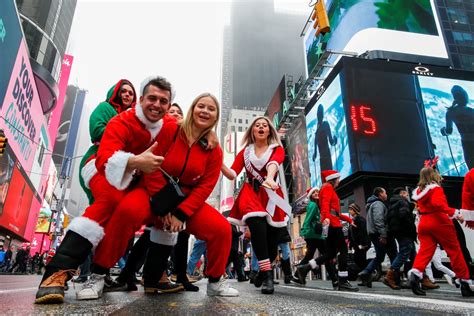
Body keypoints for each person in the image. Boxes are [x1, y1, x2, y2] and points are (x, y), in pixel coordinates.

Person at [35, 76, 174, 304]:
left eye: (163, 101)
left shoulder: (168, 126)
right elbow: (104, 159)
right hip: (99, 166)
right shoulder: (120, 119)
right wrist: (135, 161)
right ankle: (56, 272)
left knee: (128, 213)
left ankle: (102, 273)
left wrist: (207, 138)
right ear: (141, 99)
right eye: (152, 98)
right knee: (109, 201)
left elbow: (190, 132)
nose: (157, 105)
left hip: (138, 181)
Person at [99, 92, 238, 297]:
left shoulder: (214, 149)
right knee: (126, 212)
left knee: (223, 229)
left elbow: (205, 186)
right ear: (192, 109)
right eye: (201, 106)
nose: (205, 111)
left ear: (216, 116)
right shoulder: (171, 128)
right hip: (152, 191)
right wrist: (163, 206)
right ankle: (98, 275)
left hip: (186, 199)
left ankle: (216, 281)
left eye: (211, 108)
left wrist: (181, 213)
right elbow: (152, 165)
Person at [222, 116, 290, 295]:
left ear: (269, 130)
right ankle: (267, 276)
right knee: (258, 229)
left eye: (264, 125)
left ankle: (261, 271)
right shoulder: (245, 152)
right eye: (257, 125)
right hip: (251, 194)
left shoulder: (277, 149)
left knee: (273, 242)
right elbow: (232, 173)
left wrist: (269, 178)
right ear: (252, 130)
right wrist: (217, 162)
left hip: (272, 195)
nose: (261, 127)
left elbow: (274, 164)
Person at [409, 161, 473, 297]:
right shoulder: (435, 188)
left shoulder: (419, 191)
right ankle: (465, 283)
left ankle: (415, 274)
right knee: (455, 252)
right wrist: (455, 213)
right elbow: (439, 204)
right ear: (433, 175)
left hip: (424, 223)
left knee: (425, 251)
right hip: (439, 221)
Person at [296, 170, 358, 292]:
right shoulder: (327, 187)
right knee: (343, 250)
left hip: (332, 222)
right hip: (333, 224)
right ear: (333, 179)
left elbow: (337, 213)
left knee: (329, 254)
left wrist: (350, 221)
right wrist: (327, 218)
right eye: (338, 179)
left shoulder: (327, 188)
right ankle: (343, 281)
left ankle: (305, 268)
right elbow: (325, 205)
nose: (339, 181)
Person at [79, 79, 136, 204]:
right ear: (116, 93)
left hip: (119, 165)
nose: (127, 94)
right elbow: (96, 130)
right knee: (105, 201)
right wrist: (123, 133)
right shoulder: (105, 107)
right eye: (124, 91)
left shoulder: (133, 118)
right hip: (96, 159)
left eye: (131, 93)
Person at [294, 187, 337, 288]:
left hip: (315, 235)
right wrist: (304, 230)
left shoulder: (317, 205)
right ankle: (335, 280)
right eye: (314, 192)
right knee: (327, 255)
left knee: (310, 255)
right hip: (315, 235)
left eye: (317, 191)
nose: (317, 193)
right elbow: (308, 218)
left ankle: (297, 275)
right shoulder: (313, 205)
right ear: (311, 196)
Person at [358, 187, 397, 288]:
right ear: (380, 194)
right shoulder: (378, 204)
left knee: (380, 256)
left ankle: (366, 272)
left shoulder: (372, 204)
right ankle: (394, 278)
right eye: (385, 193)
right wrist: (383, 235)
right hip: (380, 234)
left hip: (374, 234)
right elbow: (379, 220)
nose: (386, 194)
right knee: (394, 255)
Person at [384, 187, 417, 290]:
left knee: (413, 255)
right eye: (406, 194)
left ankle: (421, 277)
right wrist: (411, 226)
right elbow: (404, 216)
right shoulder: (402, 202)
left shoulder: (392, 204)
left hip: (398, 232)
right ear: (402, 193)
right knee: (404, 252)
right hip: (405, 232)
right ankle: (390, 275)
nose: (407, 196)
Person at [440, 85, 474, 169]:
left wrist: (443, 131)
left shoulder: (450, 112)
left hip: (466, 143)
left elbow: (448, 131)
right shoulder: (472, 111)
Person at [312, 104, 337, 171]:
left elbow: (315, 154)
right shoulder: (325, 125)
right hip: (326, 157)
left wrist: (314, 156)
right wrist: (335, 140)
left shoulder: (317, 133)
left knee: (326, 178)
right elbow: (332, 142)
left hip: (322, 159)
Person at [348, 203, 370, 274]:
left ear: (355, 210)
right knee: (358, 259)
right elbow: (351, 234)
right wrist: (351, 245)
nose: (349, 211)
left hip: (362, 244)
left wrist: (362, 244)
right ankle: (365, 276)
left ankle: (367, 275)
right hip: (356, 244)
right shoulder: (352, 220)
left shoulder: (360, 219)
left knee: (360, 259)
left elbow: (363, 232)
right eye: (349, 209)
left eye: (351, 209)